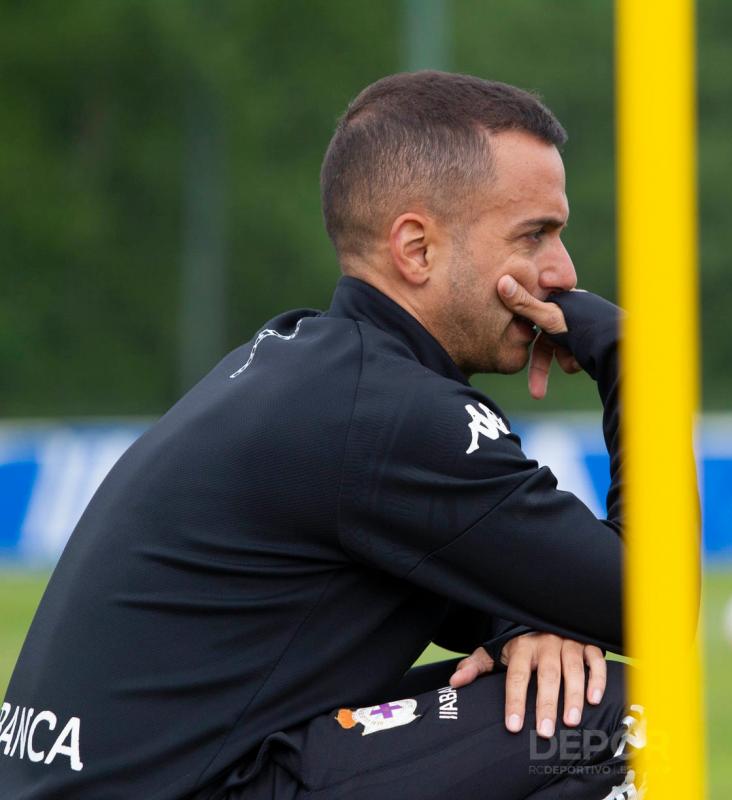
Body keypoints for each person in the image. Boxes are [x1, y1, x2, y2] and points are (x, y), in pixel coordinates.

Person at [0, 71, 641, 799]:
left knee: (562, 698)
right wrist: (632, 363)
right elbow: (652, 603)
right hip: (200, 788)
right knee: (627, 722)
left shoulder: (308, 365)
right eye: (535, 235)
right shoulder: (393, 413)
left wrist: (524, 622)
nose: (564, 273)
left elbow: (485, 572)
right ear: (417, 249)